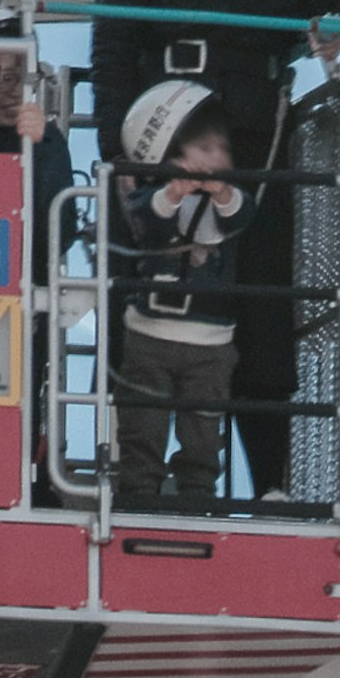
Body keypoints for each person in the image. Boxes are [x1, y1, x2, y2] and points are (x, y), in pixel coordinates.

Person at [86, 0, 340, 499]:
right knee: (142, 303)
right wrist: (121, 161)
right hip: (164, 140)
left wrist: (330, 44)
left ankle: (271, 484)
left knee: (261, 308)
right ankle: (133, 476)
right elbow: (111, 48)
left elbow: (324, 17)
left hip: (254, 148)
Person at [106, 80, 245, 510]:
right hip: (149, 334)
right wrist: (173, 190)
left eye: (219, 150)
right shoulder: (148, 196)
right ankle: (138, 497)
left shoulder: (231, 196)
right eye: (201, 150)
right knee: (141, 428)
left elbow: (240, 214)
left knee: (204, 432)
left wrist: (219, 190)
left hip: (212, 342)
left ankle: (198, 498)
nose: (212, 160)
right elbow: (147, 220)